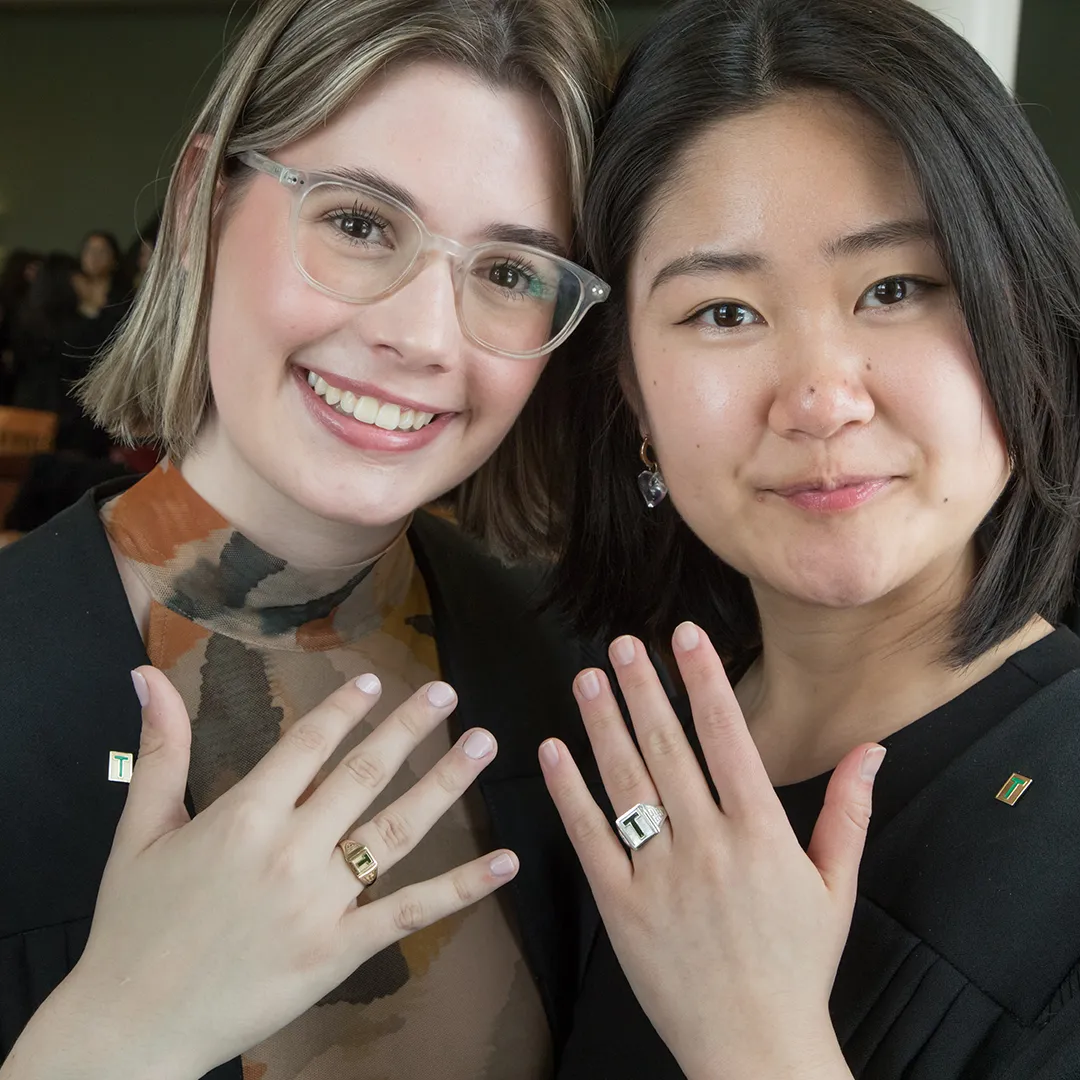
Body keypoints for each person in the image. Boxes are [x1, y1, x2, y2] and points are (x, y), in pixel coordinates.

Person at [0, 1, 609, 1078]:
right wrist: (110, 1039)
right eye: (361, 222)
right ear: (200, 202)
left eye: (509, 273)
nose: (420, 337)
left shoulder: (566, 680)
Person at [538, 0, 1080, 1077]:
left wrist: (758, 1040)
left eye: (896, 289)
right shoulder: (590, 743)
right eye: (724, 312)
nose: (821, 400)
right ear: (632, 395)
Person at [0, 249, 42, 404]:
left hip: (26, 368)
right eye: (31, 268)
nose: (35, 274)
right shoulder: (6, 296)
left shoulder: (38, 300)